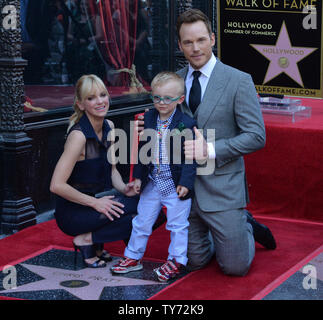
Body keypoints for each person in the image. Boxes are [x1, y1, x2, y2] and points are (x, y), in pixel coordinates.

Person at [136, 9, 276, 277]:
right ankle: (217, 237)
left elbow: (257, 136)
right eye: (188, 42)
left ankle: (245, 225)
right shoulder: (172, 81)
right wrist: (149, 127)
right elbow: (162, 120)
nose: (195, 48)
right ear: (179, 45)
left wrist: (210, 149)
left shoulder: (238, 80)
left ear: (212, 39)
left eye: (201, 40)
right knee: (195, 262)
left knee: (235, 268)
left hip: (222, 187)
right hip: (182, 190)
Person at [111, 72, 197, 282]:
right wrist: (139, 178)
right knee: (142, 221)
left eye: (168, 98)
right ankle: (133, 256)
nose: (162, 102)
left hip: (174, 183)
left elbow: (190, 157)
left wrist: (186, 183)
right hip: (153, 181)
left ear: (180, 99)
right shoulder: (149, 117)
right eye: (157, 97)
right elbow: (143, 150)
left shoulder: (185, 123)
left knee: (177, 224)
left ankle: (177, 260)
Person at [50, 74, 139, 268]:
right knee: (138, 213)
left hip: (97, 202)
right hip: (74, 211)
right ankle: (86, 240)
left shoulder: (110, 127)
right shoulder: (79, 136)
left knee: (149, 204)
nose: (100, 101)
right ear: (81, 104)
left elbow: (113, 170)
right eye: (91, 98)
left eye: (103, 95)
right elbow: (56, 185)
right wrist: (95, 203)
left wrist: (124, 189)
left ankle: (91, 238)